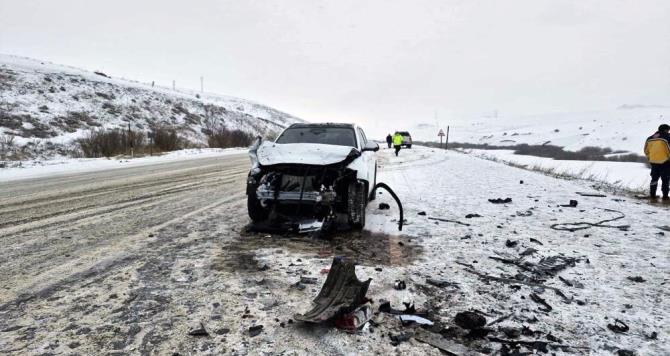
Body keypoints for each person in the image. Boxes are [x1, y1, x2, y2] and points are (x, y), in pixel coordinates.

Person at [644, 124, 670, 200]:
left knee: (654, 179)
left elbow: (646, 151)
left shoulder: (650, 138)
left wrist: (650, 159)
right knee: (665, 180)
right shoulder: (667, 137)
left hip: (653, 162)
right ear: (666, 130)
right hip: (665, 162)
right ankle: (665, 197)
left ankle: (652, 195)